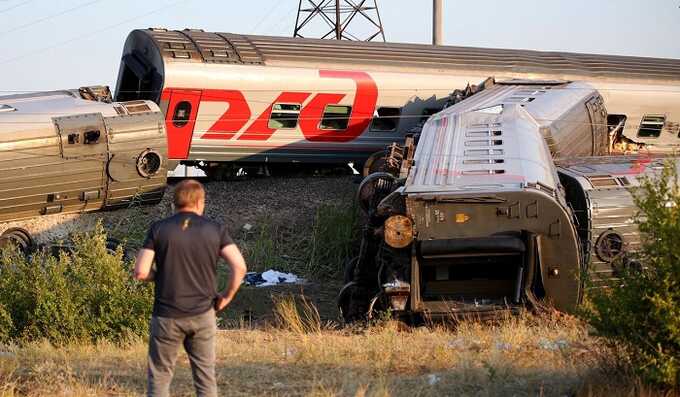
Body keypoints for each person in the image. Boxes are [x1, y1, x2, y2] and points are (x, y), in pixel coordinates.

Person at [134, 179, 247, 397]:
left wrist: (160, 276)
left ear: (174, 203)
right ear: (200, 203)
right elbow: (240, 267)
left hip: (166, 315)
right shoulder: (216, 229)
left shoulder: (159, 229)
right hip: (203, 313)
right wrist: (226, 296)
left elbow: (140, 271)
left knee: (159, 377)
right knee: (205, 376)